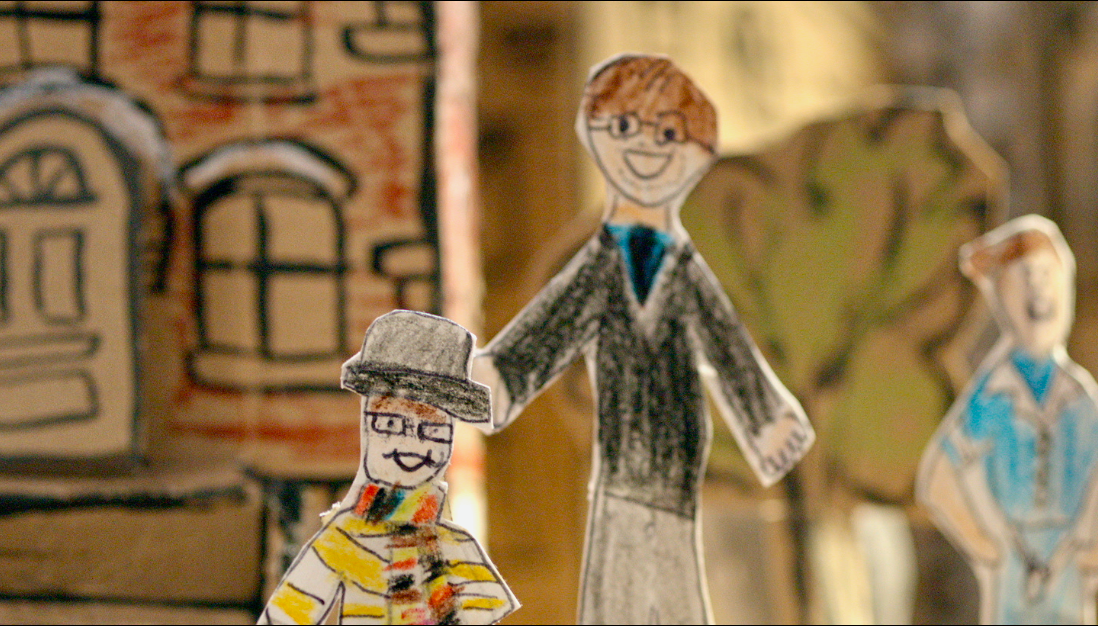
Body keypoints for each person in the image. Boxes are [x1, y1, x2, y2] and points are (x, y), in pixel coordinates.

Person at [471, 53, 813, 624]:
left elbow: (728, 345)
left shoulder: (685, 268)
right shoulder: (599, 266)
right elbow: (552, 327)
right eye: (627, 127)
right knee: (620, 585)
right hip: (622, 463)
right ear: (596, 135)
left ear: (695, 152)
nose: (647, 148)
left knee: (676, 583)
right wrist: (501, 378)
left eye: (669, 134)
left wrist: (765, 419)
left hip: (678, 461)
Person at [917, 215, 1098, 625]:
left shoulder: (1074, 395)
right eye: (1023, 278)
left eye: (1045, 275)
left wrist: (1097, 549)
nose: (1037, 288)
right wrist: (988, 544)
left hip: (1065, 564)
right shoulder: (994, 393)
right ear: (1002, 295)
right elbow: (939, 476)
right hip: (1014, 567)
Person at [261, 310, 518, 625]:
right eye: (391, 425)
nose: (411, 444)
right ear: (368, 423)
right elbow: (286, 616)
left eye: (431, 430)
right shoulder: (346, 539)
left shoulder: (456, 548)